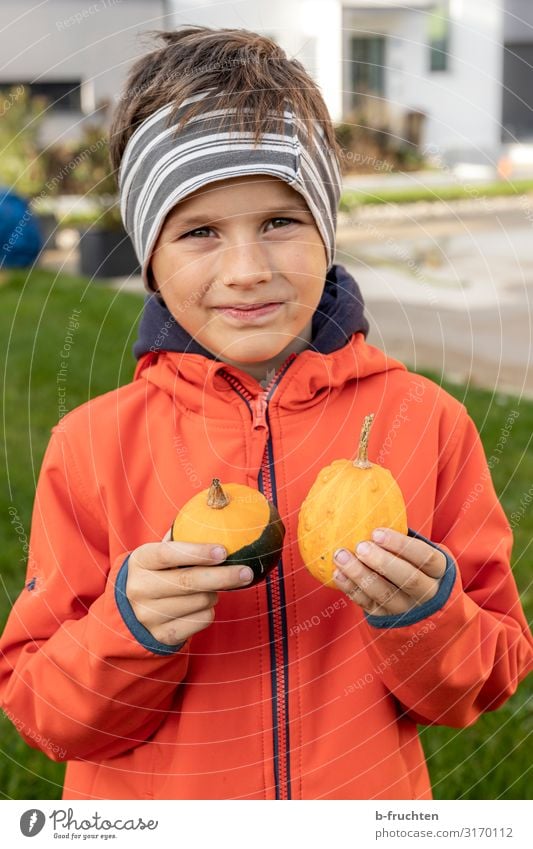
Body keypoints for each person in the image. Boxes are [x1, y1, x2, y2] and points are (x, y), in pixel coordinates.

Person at [0, 26, 531, 802]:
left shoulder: (427, 421)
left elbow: (480, 680)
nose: (247, 271)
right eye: (200, 232)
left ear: (326, 230)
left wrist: (425, 613)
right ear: (149, 255)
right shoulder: (90, 446)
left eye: (280, 222)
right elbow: (43, 712)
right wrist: (128, 628)